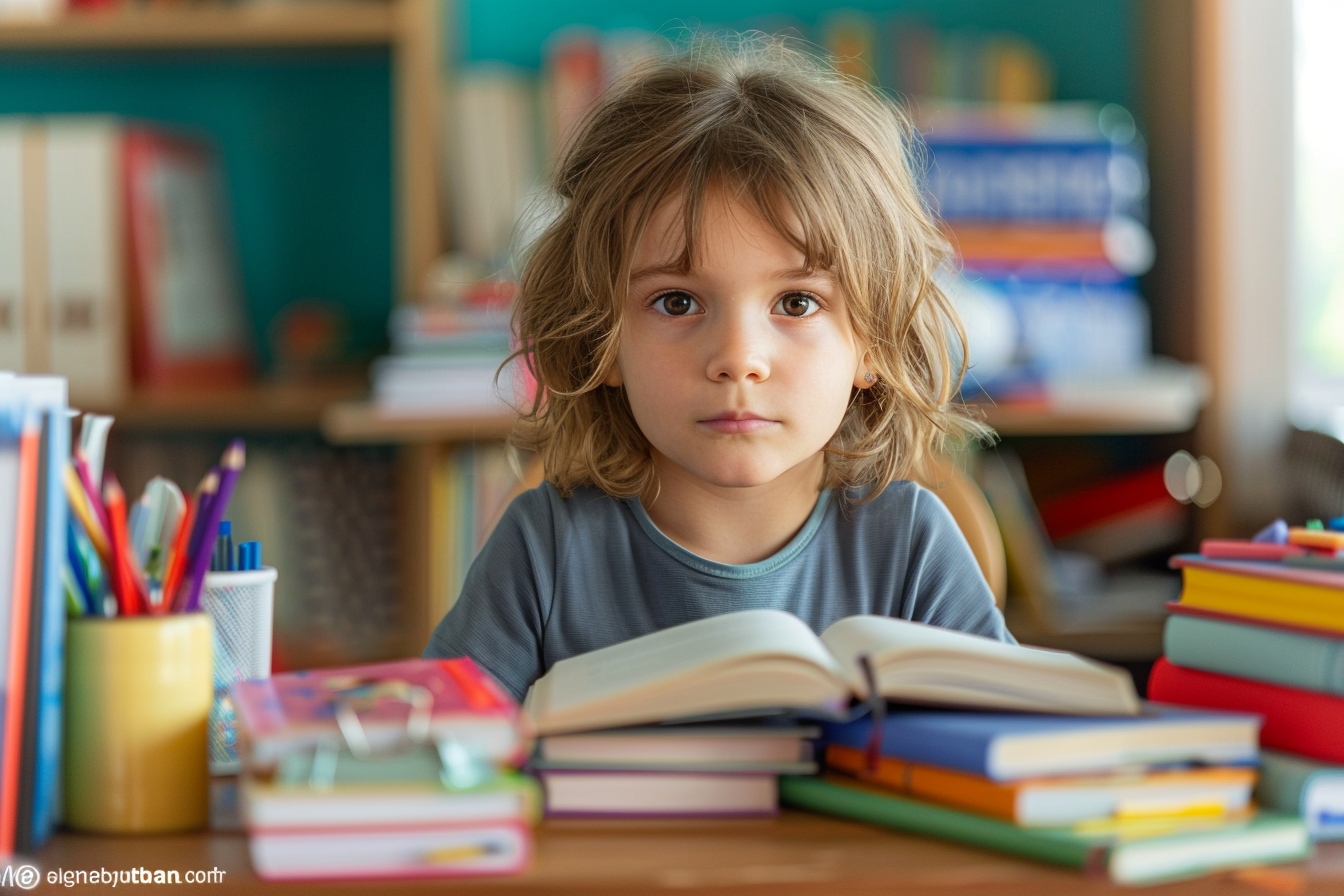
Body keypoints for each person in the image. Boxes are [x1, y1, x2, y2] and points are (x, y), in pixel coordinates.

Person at [425, 35, 1014, 703]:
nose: (738, 358)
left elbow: (1009, 752)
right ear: (603, 339)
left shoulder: (911, 543)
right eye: (677, 302)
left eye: (796, 302)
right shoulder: (544, 548)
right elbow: (444, 752)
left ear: (872, 341)